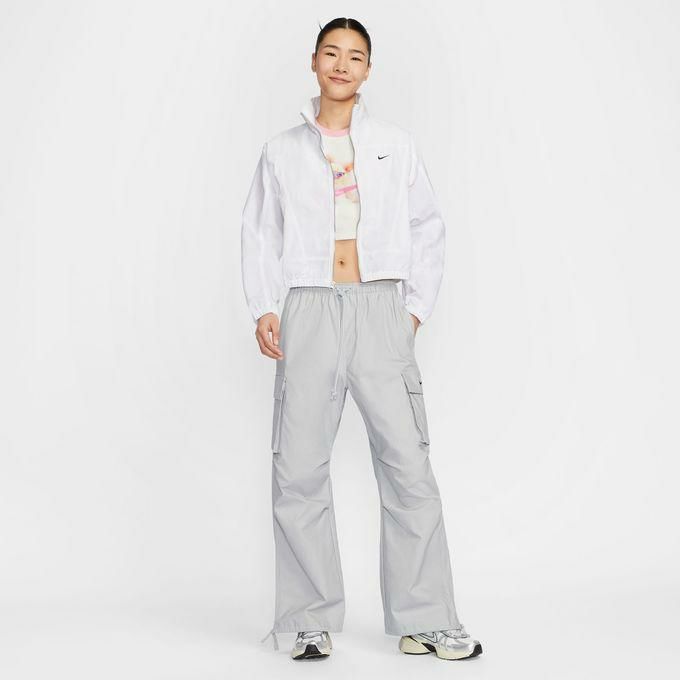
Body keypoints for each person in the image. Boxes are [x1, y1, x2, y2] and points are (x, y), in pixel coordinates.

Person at [241, 17, 483, 662]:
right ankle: (306, 620)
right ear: (314, 62)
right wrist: (265, 306)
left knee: (408, 465)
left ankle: (426, 618)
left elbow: (428, 227)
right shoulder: (281, 151)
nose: (342, 65)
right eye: (331, 53)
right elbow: (260, 231)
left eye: (355, 56)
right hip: (309, 309)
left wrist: (412, 312)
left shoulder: (395, 145)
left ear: (368, 70)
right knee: (298, 468)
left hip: (380, 309)